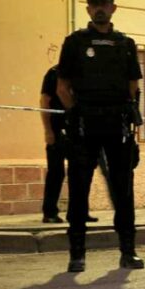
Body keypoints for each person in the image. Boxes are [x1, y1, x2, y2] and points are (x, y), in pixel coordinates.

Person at [56, 0, 144, 273]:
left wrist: (124, 111)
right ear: (88, 9)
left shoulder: (125, 44)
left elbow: (133, 85)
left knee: (123, 191)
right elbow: (62, 87)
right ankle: (77, 254)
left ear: (113, 8)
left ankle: (128, 251)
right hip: (85, 125)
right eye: (95, 4)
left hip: (116, 124)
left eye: (104, 3)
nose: (100, 8)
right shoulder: (75, 42)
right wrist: (76, 114)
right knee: (79, 191)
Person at [40, 66, 105, 224]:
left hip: (78, 130)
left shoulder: (83, 73)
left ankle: (80, 211)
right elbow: (44, 102)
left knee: (81, 172)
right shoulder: (54, 73)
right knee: (56, 172)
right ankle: (49, 212)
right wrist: (48, 131)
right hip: (57, 128)